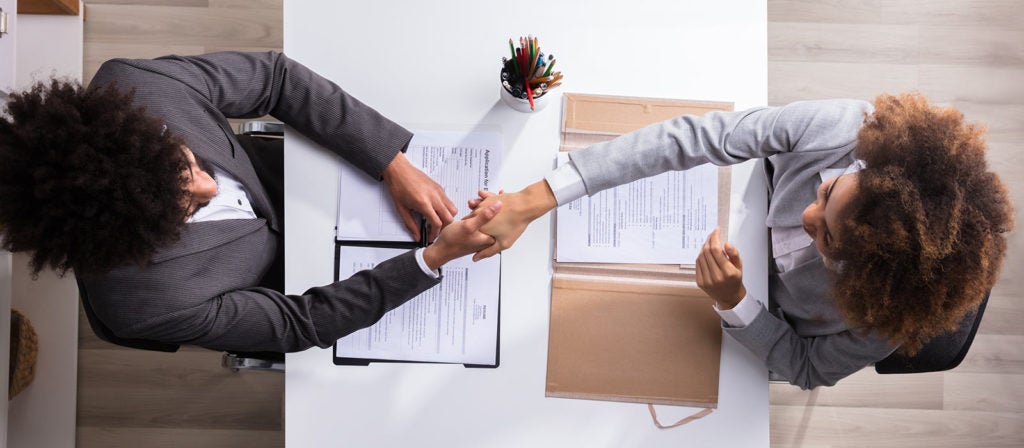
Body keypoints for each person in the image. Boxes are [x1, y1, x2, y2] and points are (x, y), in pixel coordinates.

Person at [468, 93, 1014, 389]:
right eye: (828, 190)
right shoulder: (844, 128)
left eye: (826, 237)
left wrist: (737, 303)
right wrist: (536, 198)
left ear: (869, 277)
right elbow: (701, 136)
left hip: (737, 328)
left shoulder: (888, 320)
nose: (805, 212)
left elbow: (805, 368)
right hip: (717, 206)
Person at [0, 51, 501, 353]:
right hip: (294, 281)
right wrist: (432, 260)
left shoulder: (140, 87)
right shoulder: (145, 304)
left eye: (188, 164)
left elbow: (276, 79)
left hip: (303, 176)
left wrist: (390, 161)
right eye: (186, 207)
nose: (210, 187)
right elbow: (298, 323)